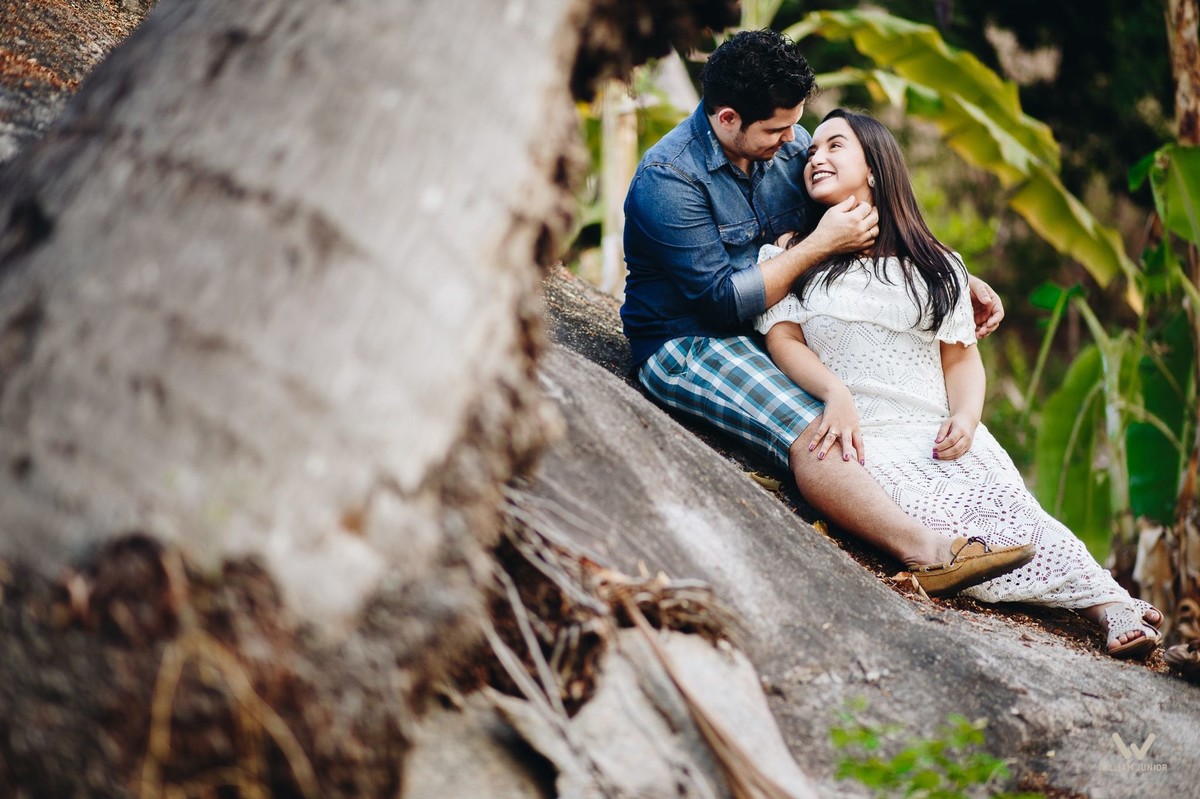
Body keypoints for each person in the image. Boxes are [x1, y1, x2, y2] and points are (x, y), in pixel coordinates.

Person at [621, 28, 1033, 596]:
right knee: (815, 427)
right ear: (727, 119)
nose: (794, 141)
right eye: (777, 130)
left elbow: (864, 210)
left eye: (796, 125)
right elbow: (721, 302)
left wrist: (950, 273)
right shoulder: (668, 178)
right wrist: (817, 247)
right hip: (691, 340)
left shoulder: (788, 145)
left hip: (770, 329)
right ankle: (927, 552)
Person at [754, 107, 1163, 657]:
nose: (815, 159)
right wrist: (835, 392)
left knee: (1021, 519)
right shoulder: (791, 252)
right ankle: (943, 557)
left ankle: (1111, 605)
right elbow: (784, 339)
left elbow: (961, 361)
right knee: (915, 510)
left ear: (874, 168)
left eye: (834, 146)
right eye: (810, 152)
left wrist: (967, 417)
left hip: (934, 433)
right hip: (862, 432)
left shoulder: (937, 265)